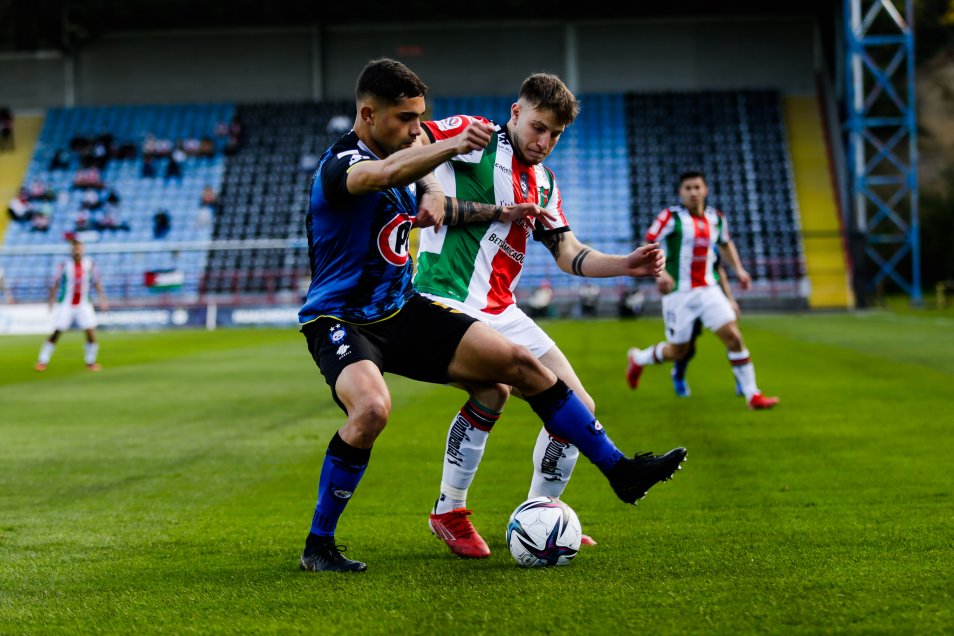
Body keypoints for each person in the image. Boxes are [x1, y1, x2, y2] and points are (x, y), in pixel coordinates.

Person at [296, 58, 687, 573]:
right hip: (344, 317)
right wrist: (451, 148)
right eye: (406, 119)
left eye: (420, 119)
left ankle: (614, 475)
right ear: (369, 115)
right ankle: (320, 544)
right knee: (372, 410)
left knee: (523, 372)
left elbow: (450, 201)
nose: (416, 129)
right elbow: (386, 172)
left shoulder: (538, 182)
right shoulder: (344, 163)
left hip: (404, 308)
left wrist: (622, 264)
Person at [414, 73, 673, 559]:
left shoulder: (545, 183)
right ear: (516, 113)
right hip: (445, 297)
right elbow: (415, 139)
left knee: (579, 405)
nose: (544, 142)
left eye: (555, 135)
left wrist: (625, 265)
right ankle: (448, 511)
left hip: (503, 310)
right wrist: (429, 189)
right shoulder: (476, 136)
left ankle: (541, 514)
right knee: (495, 390)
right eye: (538, 128)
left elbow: (568, 253)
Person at [625, 170, 779, 410]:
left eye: (697, 187)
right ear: (681, 192)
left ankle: (753, 395)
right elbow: (648, 243)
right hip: (679, 293)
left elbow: (725, 244)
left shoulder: (716, 218)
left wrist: (739, 270)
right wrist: (661, 272)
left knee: (734, 337)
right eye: (688, 188)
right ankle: (639, 358)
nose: (693, 192)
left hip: (709, 289)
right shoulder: (670, 216)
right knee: (679, 351)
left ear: (705, 190)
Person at [669, 251, 744, 398]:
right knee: (687, 348)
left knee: (732, 338)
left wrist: (730, 299)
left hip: (711, 298)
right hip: (688, 300)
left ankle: (742, 381)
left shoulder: (711, 243)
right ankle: (678, 375)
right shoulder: (680, 245)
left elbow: (719, 271)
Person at [35, 239, 108, 372]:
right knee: (57, 332)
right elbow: (55, 284)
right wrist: (51, 300)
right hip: (66, 304)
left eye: (79, 249)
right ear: (71, 251)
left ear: (83, 250)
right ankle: (42, 360)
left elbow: (96, 282)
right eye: (75, 249)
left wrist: (102, 298)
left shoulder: (90, 264)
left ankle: (90, 362)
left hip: (83, 304)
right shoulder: (64, 265)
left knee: (90, 332)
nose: (77, 251)